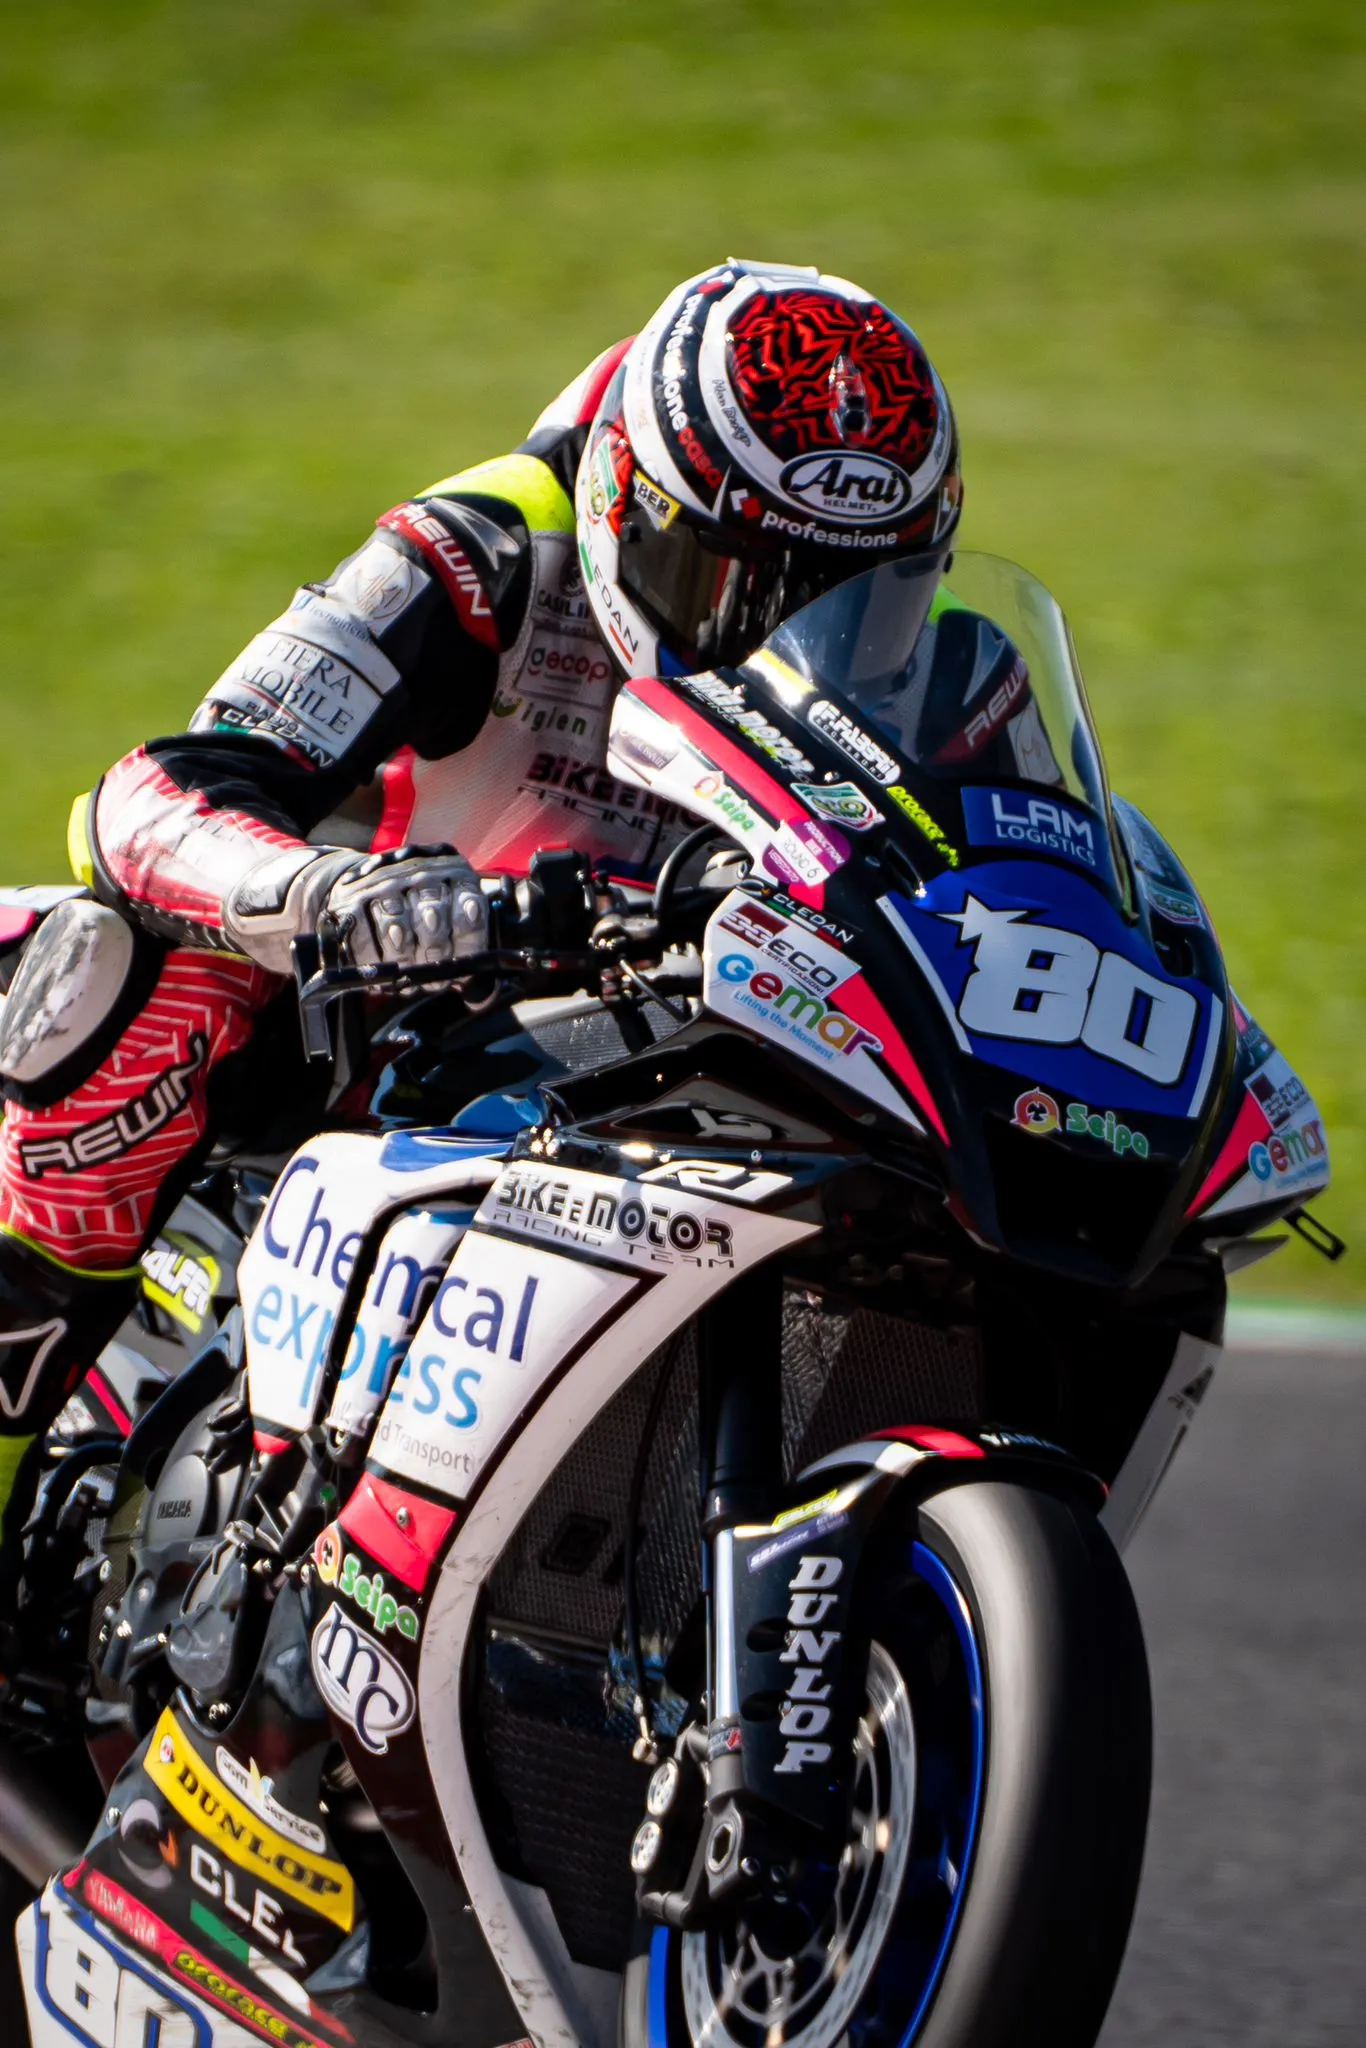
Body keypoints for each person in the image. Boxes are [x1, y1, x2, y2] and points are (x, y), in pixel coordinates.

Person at [0, 257, 962, 1594]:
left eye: (846, 599)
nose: (772, 637)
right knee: (117, 981)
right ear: (626, 500)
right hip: (355, 1027)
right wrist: (331, 896)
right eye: (730, 581)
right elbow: (154, 794)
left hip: (645, 1054)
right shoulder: (479, 554)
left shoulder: (923, 677)